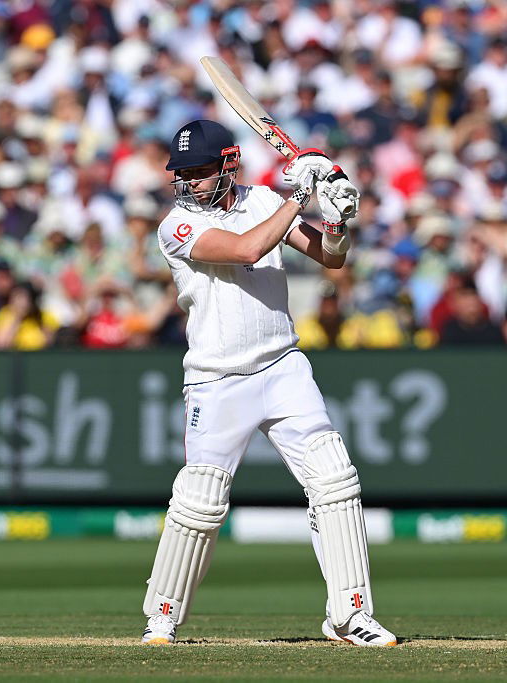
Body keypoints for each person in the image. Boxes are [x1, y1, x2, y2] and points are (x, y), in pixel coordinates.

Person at [141, 119, 396, 647]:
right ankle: (162, 617)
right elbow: (246, 251)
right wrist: (301, 194)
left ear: (228, 163)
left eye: (199, 170)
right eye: (182, 173)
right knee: (200, 501)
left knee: (334, 480)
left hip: (282, 365)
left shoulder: (261, 201)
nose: (189, 181)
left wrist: (336, 219)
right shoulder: (175, 226)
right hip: (217, 378)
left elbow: (331, 258)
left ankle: (350, 614)